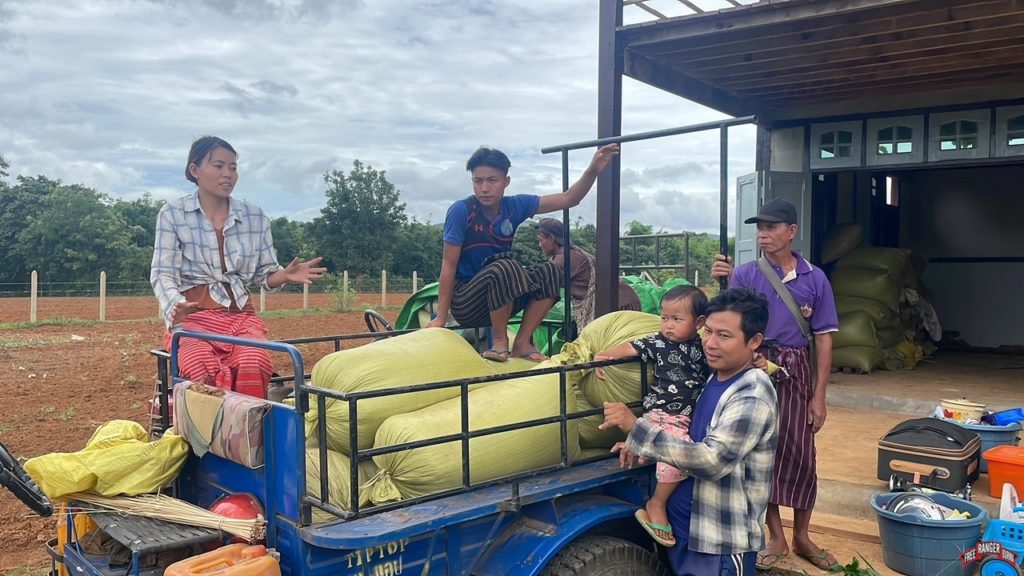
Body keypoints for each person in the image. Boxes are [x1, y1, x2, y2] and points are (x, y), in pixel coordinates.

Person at [601, 288, 778, 575]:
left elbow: (711, 460)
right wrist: (640, 444)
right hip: (685, 530)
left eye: (724, 336)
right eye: (707, 331)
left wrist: (637, 428)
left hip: (718, 543)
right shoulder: (711, 375)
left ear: (755, 341)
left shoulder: (751, 394)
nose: (710, 343)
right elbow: (682, 432)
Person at [710, 198, 840, 571]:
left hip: (796, 369)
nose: (763, 234)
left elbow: (825, 337)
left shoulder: (814, 278)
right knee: (760, 452)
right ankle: (775, 535)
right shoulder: (746, 274)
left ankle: (802, 535)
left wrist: (819, 395)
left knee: (801, 452)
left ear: (791, 231)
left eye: (771, 227)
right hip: (753, 367)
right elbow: (729, 320)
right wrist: (721, 279)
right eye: (759, 228)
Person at [151, 135, 326, 399]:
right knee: (200, 367)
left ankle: (248, 434)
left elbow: (263, 274)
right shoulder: (173, 214)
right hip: (194, 317)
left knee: (254, 362)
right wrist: (175, 305)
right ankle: (207, 437)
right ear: (194, 170)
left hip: (240, 317)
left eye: (233, 167)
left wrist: (284, 275)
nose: (228, 174)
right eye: (219, 166)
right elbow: (163, 272)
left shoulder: (254, 217)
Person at [426, 144, 620, 362]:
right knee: (505, 265)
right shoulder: (462, 210)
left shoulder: (514, 206)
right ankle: (500, 343)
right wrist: (441, 318)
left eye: (492, 180)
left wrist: (593, 170)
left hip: (502, 295)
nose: (484, 188)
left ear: (506, 181)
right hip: (467, 300)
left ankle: (522, 343)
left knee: (550, 271)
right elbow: (448, 264)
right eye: (478, 181)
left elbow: (568, 199)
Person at [592, 285, 709, 548]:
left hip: (681, 418)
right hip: (659, 412)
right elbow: (632, 347)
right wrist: (605, 355)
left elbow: (729, 360)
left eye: (677, 319)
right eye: (664, 317)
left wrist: (756, 361)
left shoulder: (705, 348)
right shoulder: (659, 342)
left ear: (699, 322)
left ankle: (636, 446)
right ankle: (657, 503)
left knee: (668, 447)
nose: (668, 325)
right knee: (680, 456)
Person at [536, 217, 641, 332]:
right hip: (621, 300)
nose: (540, 245)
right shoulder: (572, 253)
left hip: (617, 304)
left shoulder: (565, 259)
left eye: (541, 240)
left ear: (551, 238)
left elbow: (543, 284)